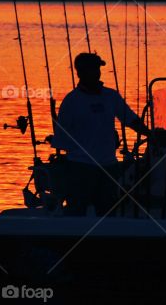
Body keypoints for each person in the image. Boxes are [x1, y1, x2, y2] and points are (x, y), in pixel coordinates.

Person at [54, 51, 149, 215]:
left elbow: (130, 119)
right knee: (76, 211)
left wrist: (150, 133)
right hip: (80, 167)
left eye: (98, 69)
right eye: (93, 69)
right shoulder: (71, 101)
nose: (97, 73)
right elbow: (62, 137)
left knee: (108, 211)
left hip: (109, 166)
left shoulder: (111, 96)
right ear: (81, 73)